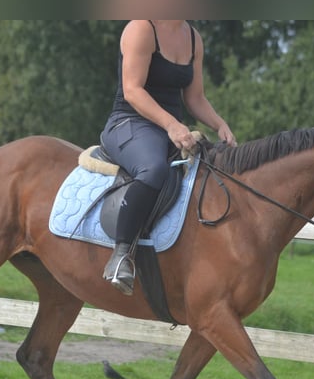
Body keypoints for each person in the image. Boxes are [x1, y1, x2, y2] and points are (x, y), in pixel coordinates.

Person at [100, 20, 237, 295]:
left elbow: (195, 97)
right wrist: (172, 124)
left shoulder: (194, 38)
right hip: (129, 123)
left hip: (172, 129)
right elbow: (133, 91)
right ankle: (121, 255)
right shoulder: (141, 28)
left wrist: (219, 124)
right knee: (153, 170)